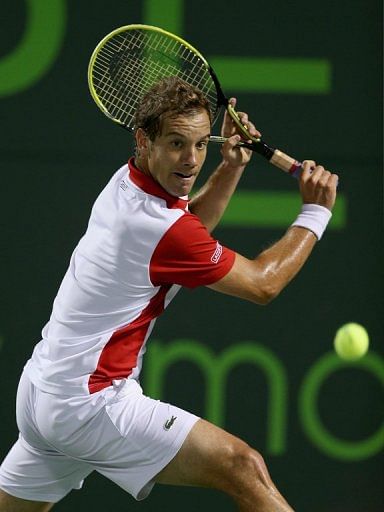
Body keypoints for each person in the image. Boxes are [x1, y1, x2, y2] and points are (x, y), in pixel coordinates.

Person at [0, 76, 338, 512]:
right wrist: (315, 211)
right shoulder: (161, 231)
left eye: (201, 144)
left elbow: (187, 228)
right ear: (144, 140)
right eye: (177, 143)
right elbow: (262, 284)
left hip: (41, 391)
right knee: (243, 467)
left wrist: (232, 165)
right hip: (90, 403)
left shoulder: (127, 182)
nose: (191, 159)